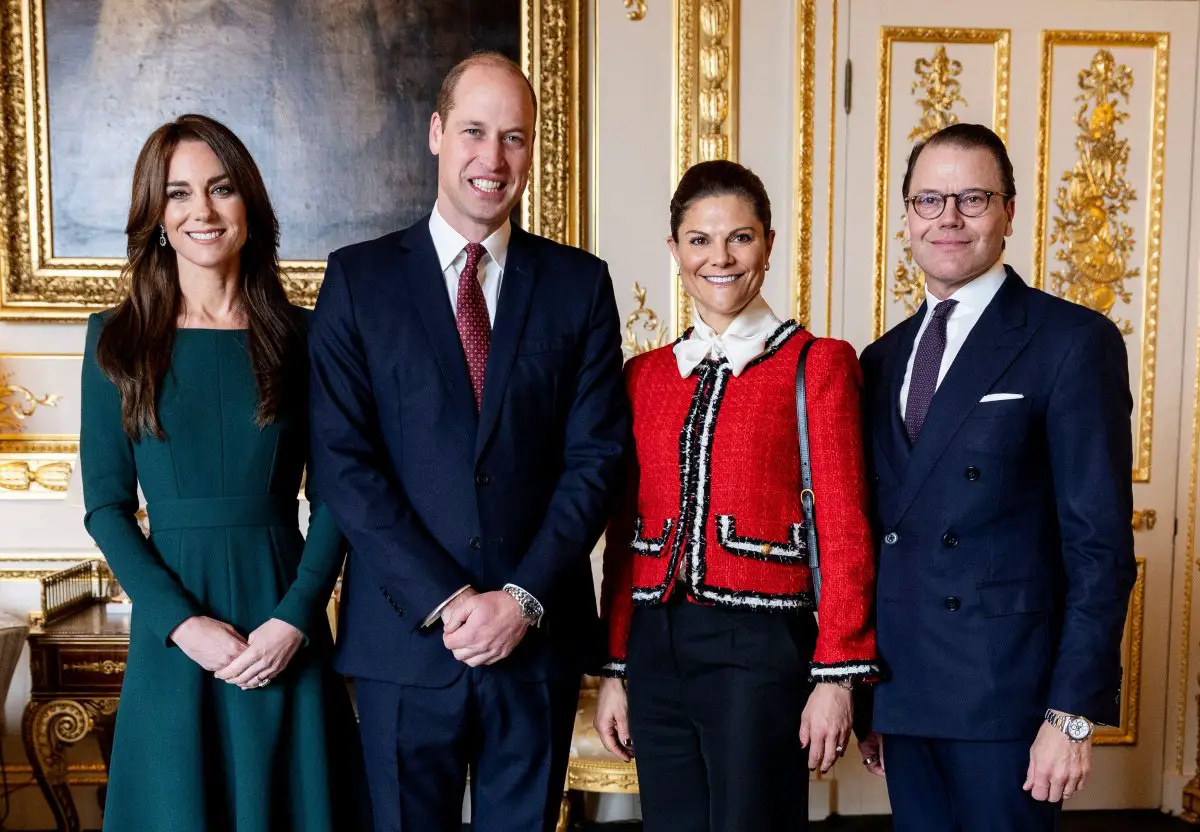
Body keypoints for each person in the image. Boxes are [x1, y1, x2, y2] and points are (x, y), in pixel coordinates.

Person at [308, 52, 628, 832]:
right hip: (404, 643)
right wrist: (448, 601)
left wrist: (519, 600)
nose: (493, 159)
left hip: (536, 638)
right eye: (475, 132)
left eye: (514, 138)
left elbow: (597, 461)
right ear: (436, 132)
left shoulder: (580, 284)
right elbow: (344, 468)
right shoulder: (358, 280)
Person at [80, 114, 369, 832]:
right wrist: (181, 625)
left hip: (284, 621)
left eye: (221, 189)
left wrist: (297, 617)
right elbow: (107, 507)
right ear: (156, 216)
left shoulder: (307, 337)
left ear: (250, 207)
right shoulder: (112, 341)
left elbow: (336, 496)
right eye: (178, 194)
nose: (201, 212)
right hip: (174, 637)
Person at [856, 123, 1137, 831]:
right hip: (907, 691)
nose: (948, 217)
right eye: (929, 200)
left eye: (972, 198)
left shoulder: (1071, 341)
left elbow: (1099, 548)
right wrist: (867, 698)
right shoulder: (880, 359)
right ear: (907, 218)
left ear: (1010, 211)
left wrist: (1070, 715)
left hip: (1011, 698)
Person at [593, 160, 881, 831]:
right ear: (674, 250)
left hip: (762, 648)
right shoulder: (646, 376)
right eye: (699, 240)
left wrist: (836, 676)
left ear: (769, 244)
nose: (719, 258)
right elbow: (623, 533)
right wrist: (616, 667)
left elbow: (845, 530)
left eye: (740, 238)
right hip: (657, 648)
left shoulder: (819, 363)